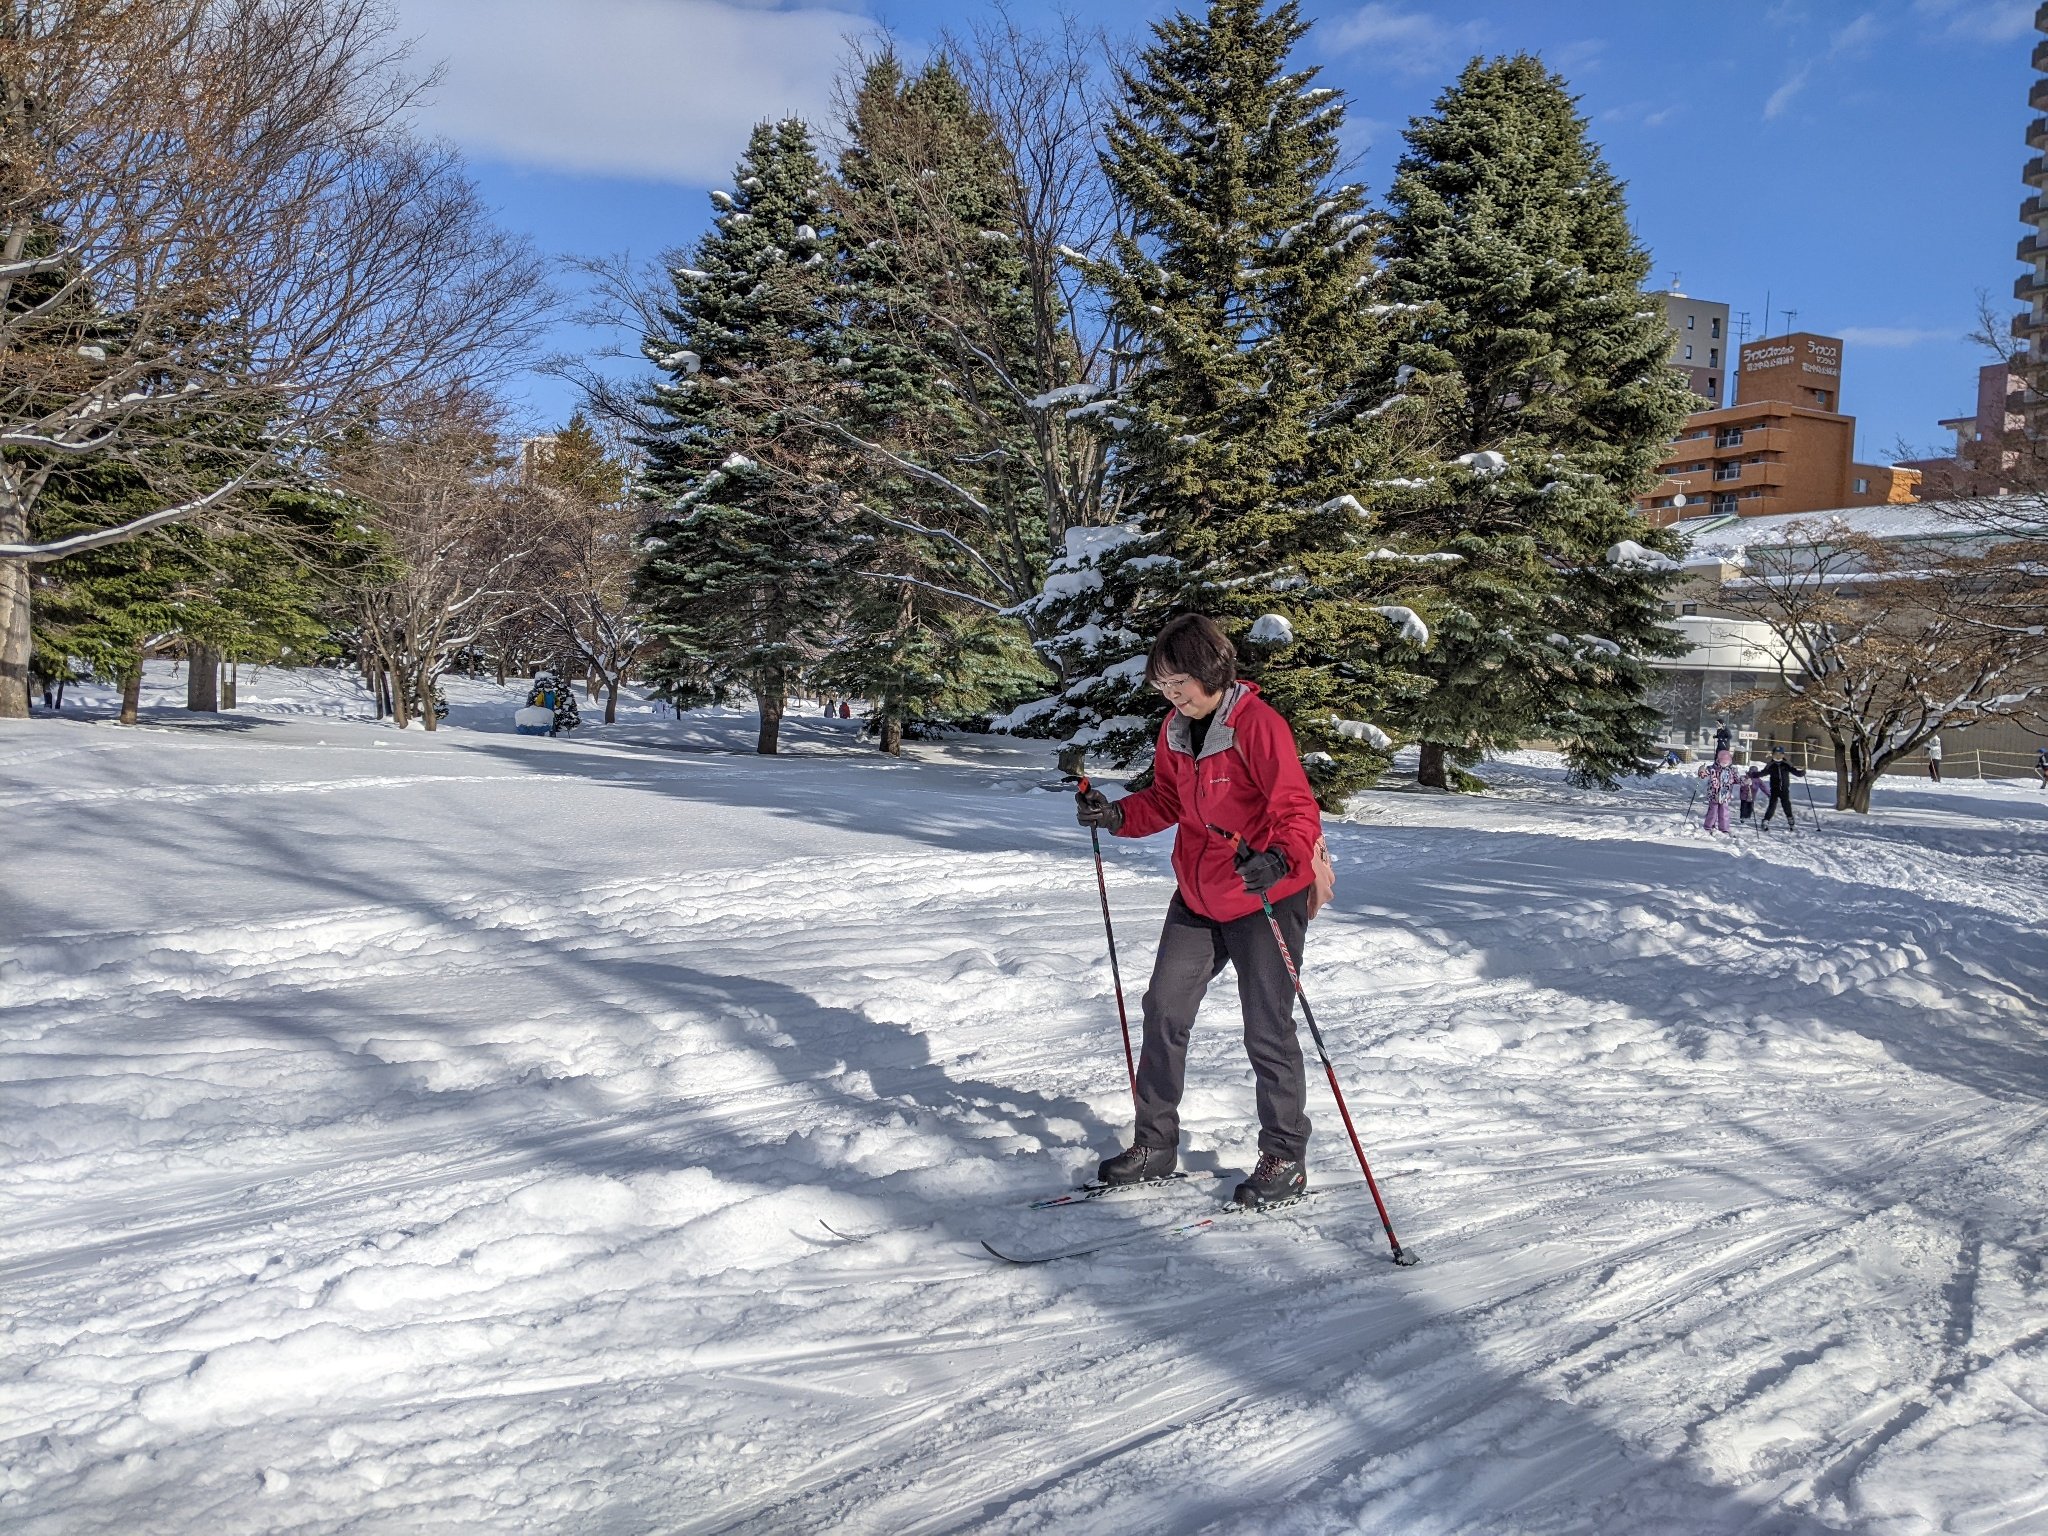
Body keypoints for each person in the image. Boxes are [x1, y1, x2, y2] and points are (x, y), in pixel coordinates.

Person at [1074, 614, 1325, 1209]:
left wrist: (1279, 859)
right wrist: (1117, 816)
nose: (1171, 694)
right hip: (1197, 896)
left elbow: (1297, 808)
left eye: (1178, 681)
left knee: (1267, 1029)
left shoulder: (1258, 726)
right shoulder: (1175, 729)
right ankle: (1156, 1144)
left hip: (1263, 894)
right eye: (1163, 684)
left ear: (1211, 671)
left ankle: (1285, 1155)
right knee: (1163, 1008)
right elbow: (1166, 799)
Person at [1755, 746, 1805, 829]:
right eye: (1775, 754)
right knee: (1772, 805)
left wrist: (1802, 773)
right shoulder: (1771, 765)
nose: (1777, 756)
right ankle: (1766, 820)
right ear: (1772, 755)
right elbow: (1763, 773)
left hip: (1784, 789)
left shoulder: (1786, 764)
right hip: (1774, 789)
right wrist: (1754, 774)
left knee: (1786, 804)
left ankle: (1790, 818)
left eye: (1779, 754)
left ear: (1783, 755)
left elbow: (1795, 772)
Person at [1696, 748, 1741, 834]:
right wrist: (1701, 771)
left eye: (1726, 762)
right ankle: (1708, 826)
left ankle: (1724, 828)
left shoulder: (1732, 771)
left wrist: (1746, 781)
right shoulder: (1712, 769)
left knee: (1724, 813)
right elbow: (1704, 774)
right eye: (1722, 762)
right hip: (1714, 794)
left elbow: (1738, 780)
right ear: (1718, 760)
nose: (1724, 764)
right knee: (1712, 812)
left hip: (1725, 795)